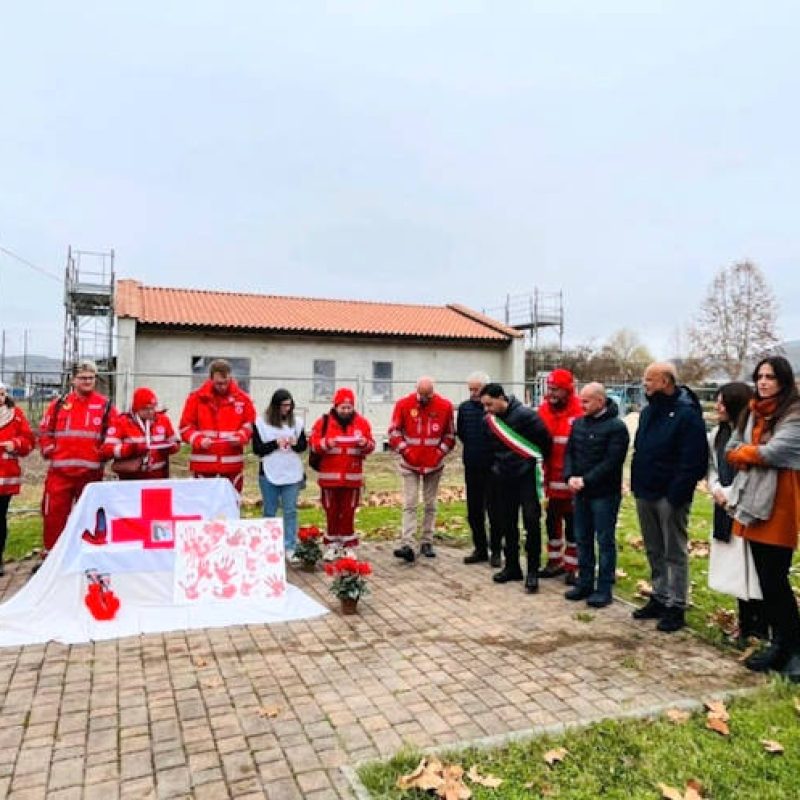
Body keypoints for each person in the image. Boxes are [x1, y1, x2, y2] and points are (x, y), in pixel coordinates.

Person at [726, 356, 800, 680]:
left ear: (783, 380)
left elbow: (775, 453)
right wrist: (748, 452)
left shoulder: (794, 414)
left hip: (780, 505)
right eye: (760, 376)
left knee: (776, 580)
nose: (763, 382)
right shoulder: (753, 411)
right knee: (767, 582)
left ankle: (793, 650)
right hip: (753, 503)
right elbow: (730, 447)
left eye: (770, 376)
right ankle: (780, 645)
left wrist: (746, 452)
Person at [630, 362, 708, 633]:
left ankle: (677, 605)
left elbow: (694, 461)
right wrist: (637, 484)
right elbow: (641, 449)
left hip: (670, 496)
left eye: (649, 380)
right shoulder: (650, 412)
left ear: (665, 381)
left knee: (674, 551)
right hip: (646, 491)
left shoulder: (687, 414)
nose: (645, 384)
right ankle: (660, 597)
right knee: (654, 548)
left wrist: (676, 495)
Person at [707, 381, 766, 646]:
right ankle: (745, 624)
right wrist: (716, 488)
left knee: (754, 570)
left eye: (722, 402)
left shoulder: (753, 434)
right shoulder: (716, 435)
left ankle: (760, 626)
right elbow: (711, 467)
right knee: (737, 571)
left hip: (747, 508)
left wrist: (732, 494)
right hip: (724, 508)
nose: (718, 406)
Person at [39, 360, 117, 554]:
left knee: (89, 517)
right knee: (54, 517)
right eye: (83, 378)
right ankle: (52, 557)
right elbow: (45, 430)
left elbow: (115, 432)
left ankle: (86, 554)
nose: (88, 381)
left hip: (90, 475)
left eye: (91, 378)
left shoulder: (105, 406)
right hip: (60, 473)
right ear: (73, 380)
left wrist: (105, 450)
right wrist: (49, 449)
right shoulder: (59, 404)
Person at [480, 383, 552, 592]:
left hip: (527, 476)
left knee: (531, 522)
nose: (487, 409)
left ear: (501, 397)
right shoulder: (490, 421)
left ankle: (532, 570)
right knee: (507, 522)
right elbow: (489, 448)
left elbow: (545, 443)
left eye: (489, 404)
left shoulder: (526, 416)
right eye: (484, 406)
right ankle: (512, 566)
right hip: (503, 477)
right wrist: (496, 468)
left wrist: (530, 465)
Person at [563, 382, 630, 607]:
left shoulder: (616, 427)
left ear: (600, 401)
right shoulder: (579, 424)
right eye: (581, 400)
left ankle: (604, 588)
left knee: (604, 540)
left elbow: (612, 461)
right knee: (582, 538)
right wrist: (569, 476)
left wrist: (586, 480)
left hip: (604, 494)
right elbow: (570, 452)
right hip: (580, 492)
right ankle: (585, 582)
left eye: (586, 401)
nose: (581, 405)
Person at [389, 377, 455, 563]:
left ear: (433, 392)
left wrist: (438, 454)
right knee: (410, 503)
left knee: (430, 503)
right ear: (416, 390)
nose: (425, 399)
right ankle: (407, 543)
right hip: (410, 463)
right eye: (422, 395)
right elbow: (394, 432)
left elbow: (450, 435)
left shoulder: (445, 406)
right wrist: (405, 450)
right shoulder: (403, 405)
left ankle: (427, 541)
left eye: (429, 395)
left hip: (434, 464)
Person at [309, 387, 375, 559]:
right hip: (329, 479)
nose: (346, 411)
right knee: (331, 511)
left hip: (352, 478)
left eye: (349, 407)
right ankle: (331, 544)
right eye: (342, 407)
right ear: (336, 406)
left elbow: (371, 446)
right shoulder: (323, 422)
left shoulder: (362, 423)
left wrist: (364, 443)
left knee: (348, 511)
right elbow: (314, 444)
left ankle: (347, 545)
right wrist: (327, 443)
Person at [179, 359, 256, 494]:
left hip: (232, 465)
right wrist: (199, 440)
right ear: (211, 379)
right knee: (204, 506)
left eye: (226, 383)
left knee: (231, 505)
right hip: (204, 465)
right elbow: (185, 427)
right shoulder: (196, 399)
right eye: (219, 383)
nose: (223, 387)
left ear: (230, 377)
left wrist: (241, 436)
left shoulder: (243, 399)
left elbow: (251, 424)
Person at [538, 368, 584, 585]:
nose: (551, 393)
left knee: (574, 525)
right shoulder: (543, 410)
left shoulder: (579, 410)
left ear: (568, 390)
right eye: (550, 388)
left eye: (556, 389)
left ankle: (572, 566)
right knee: (552, 523)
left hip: (573, 481)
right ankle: (554, 561)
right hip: (551, 480)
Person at [252, 389, 307, 560]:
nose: (287, 409)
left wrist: (295, 443)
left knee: (290, 511)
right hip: (269, 471)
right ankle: (268, 545)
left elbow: (303, 446)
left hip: (291, 471)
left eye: (290, 405)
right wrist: (275, 443)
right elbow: (257, 449)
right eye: (284, 405)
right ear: (275, 406)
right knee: (270, 510)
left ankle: (290, 545)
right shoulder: (261, 423)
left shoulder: (296, 423)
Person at [456, 371, 496, 565]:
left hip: (493, 468)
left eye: (476, 389)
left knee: (494, 510)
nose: (473, 393)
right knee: (474, 511)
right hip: (472, 466)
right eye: (470, 389)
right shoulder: (464, 409)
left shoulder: (494, 409)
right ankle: (480, 548)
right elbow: (462, 433)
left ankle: (496, 550)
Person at [102, 387, 180, 480]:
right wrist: (129, 449)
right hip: (131, 479)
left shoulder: (163, 420)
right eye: (146, 409)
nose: (150, 412)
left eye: (153, 408)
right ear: (136, 408)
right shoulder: (121, 422)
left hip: (159, 478)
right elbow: (107, 450)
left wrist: (171, 448)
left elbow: (175, 442)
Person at [0, 382, 35, 575]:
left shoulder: (16, 415)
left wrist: (15, 444)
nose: (0, 398)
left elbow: (29, 440)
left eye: (2, 394)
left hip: (5, 477)